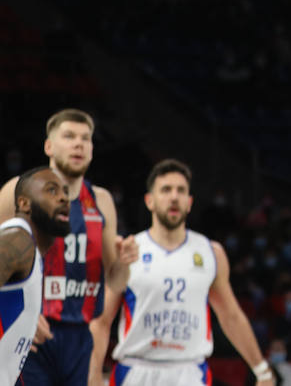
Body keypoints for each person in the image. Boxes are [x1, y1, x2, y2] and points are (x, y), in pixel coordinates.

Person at [95, 159, 275, 386]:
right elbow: (101, 322)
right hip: (137, 371)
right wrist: (92, 376)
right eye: (166, 190)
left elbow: (231, 316)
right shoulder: (129, 251)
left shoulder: (211, 252)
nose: (174, 197)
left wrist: (262, 370)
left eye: (181, 191)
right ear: (149, 201)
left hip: (190, 372)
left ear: (189, 203)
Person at [0, 110, 136, 386]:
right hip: (30, 335)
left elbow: (116, 281)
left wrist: (123, 263)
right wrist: (22, 315)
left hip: (79, 337)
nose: (79, 144)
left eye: (86, 138)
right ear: (48, 146)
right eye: (69, 136)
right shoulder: (17, 191)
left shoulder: (102, 200)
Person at [1, 167, 71, 386]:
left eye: (65, 192)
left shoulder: (31, 249)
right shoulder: (17, 240)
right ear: (24, 204)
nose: (63, 198)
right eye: (51, 190)